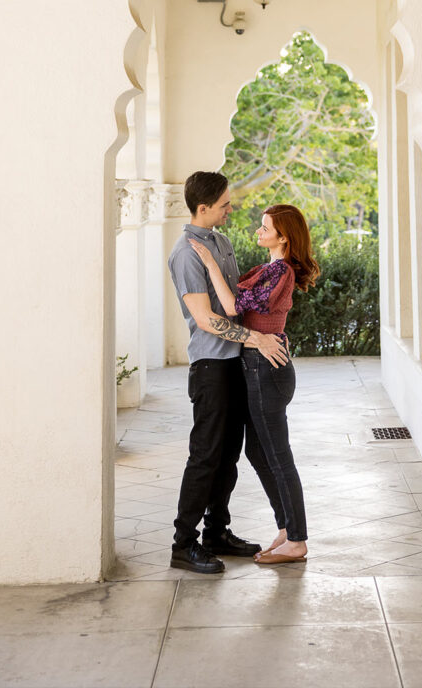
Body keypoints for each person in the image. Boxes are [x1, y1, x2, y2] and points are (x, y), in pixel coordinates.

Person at [168, 171, 289, 575]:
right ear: (203, 208)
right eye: (223, 204)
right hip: (210, 367)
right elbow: (205, 319)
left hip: (235, 363)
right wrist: (256, 339)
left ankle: (216, 532)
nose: (230, 208)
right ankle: (183, 545)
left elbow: (234, 302)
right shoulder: (185, 253)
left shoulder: (220, 241)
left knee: (229, 457)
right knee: (205, 456)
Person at [189, 203, 318, 565]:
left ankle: (297, 540)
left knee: (277, 455)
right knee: (258, 452)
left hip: (267, 370)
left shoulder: (280, 273)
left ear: (284, 237)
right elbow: (250, 308)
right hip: (257, 366)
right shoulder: (268, 269)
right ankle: (286, 527)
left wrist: (210, 262)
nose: (258, 232)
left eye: (265, 228)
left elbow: (232, 306)